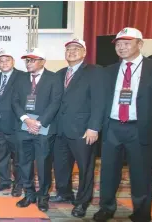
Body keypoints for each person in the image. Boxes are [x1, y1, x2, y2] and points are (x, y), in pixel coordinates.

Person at [93, 27, 152, 222]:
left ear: (140, 44)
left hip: (140, 128)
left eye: (127, 43)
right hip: (112, 127)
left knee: (141, 173)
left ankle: (142, 212)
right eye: (119, 44)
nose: (122, 47)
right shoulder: (108, 70)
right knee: (108, 172)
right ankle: (106, 208)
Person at [51, 39, 105, 218]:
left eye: (76, 49)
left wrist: (94, 127)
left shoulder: (95, 72)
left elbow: (99, 102)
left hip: (83, 131)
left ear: (84, 52)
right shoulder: (59, 74)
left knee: (85, 168)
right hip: (60, 130)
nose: (71, 51)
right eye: (68, 49)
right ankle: (64, 192)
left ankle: (82, 202)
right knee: (61, 165)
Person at [12, 48, 63, 212]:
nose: (29, 63)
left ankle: (43, 197)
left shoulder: (54, 78)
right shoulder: (20, 79)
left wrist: (39, 122)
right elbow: (15, 102)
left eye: (32, 60)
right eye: (27, 60)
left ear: (42, 61)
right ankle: (29, 194)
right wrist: (26, 120)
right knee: (24, 163)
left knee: (43, 165)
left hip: (44, 128)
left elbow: (55, 102)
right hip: (23, 127)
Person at [0, 49, 25, 196]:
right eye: (1, 61)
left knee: (18, 158)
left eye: (7, 60)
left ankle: (19, 184)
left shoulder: (23, 76)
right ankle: (4, 181)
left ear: (13, 62)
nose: (4, 63)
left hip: (15, 125)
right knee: (0, 157)